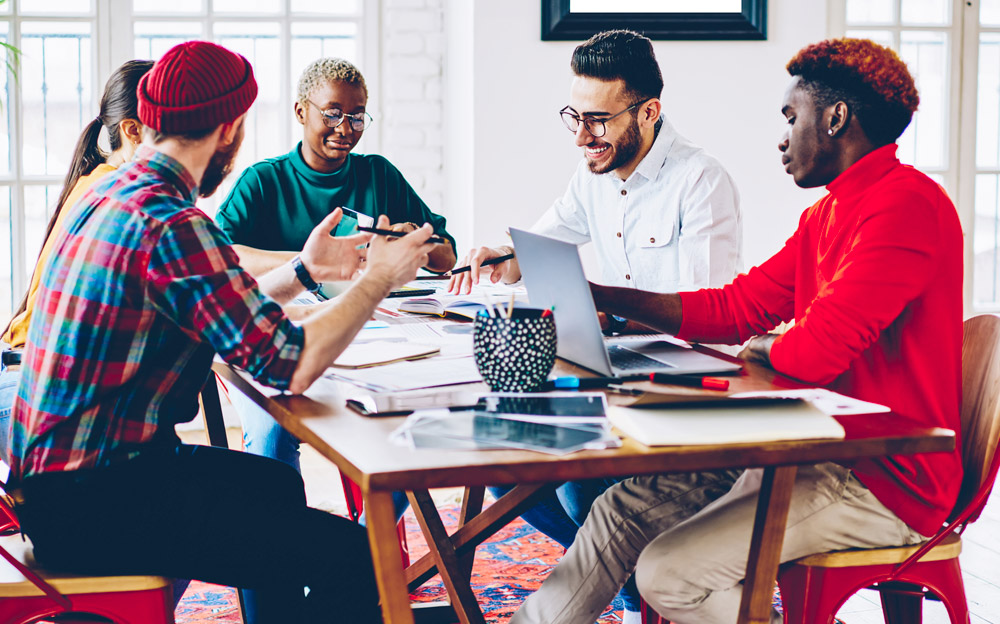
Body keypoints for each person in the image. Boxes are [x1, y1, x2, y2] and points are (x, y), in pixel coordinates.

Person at [510, 37, 963, 624]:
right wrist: (604, 296)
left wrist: (771, 345)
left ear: (836, 118)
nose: (781, 137)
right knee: (619, 511)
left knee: (668, 573)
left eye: (791, 118)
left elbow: (815, 353)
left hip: (881, 476)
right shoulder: (826, 214)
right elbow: (737, 308)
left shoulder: (906, 206)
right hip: (808, 446)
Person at [8, 40, 438, 624]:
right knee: (360, 558)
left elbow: (214, 305)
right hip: (100, 503)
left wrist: (307, 273)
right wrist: (379, 278)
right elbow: (291, 363)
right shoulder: (174, 223)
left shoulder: (113, 190)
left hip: (52, 483)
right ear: (230, 129)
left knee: (274, 487)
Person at [450, 29, 744, 621]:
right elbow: (540, 244)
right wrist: (501, 259)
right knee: (517, 466)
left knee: (569, 479)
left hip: (684, 388)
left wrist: (605, 310)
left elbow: (703, 317)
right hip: (615, 371)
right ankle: (637, 584)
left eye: (597, 120)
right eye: (573, 117)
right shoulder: (593, 176)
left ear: (649, 112)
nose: (583, 137)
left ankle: (640, 585)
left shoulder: (700, 181)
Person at [215, 56, 457, 474]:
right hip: (276, 335)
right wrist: (314, 264)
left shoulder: (378, 174)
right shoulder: (263, 181)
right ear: (300, 111)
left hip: (370, 337)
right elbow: (223, 255)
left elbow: (446, 256)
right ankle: (280, 530)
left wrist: (411, 237)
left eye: (358, 117)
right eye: (333, 113)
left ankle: (371, 533)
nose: (345, 129)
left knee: (407, 418)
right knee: (273, 430)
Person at [1, 59, 153, 462]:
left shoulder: (100, 177)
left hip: (18, 377)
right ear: (132, 130)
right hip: (24, 392)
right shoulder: (118, 191)